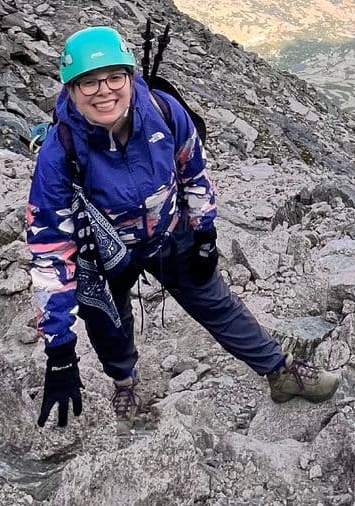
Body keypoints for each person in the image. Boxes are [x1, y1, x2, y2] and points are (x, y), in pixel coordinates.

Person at [26, 25, 338, 429]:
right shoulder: (59, 151)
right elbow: (50, 248)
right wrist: (60, 350)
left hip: (169, 233)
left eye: (114, 77)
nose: (103, 90)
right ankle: (125, 383)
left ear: (131, 76)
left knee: (218, 304)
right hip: (102, 253)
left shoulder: (163, 111)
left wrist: (204, 230)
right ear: (70, 89)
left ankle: (280, 372)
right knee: (108, 322)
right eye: (88, 82)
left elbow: (193, 170)